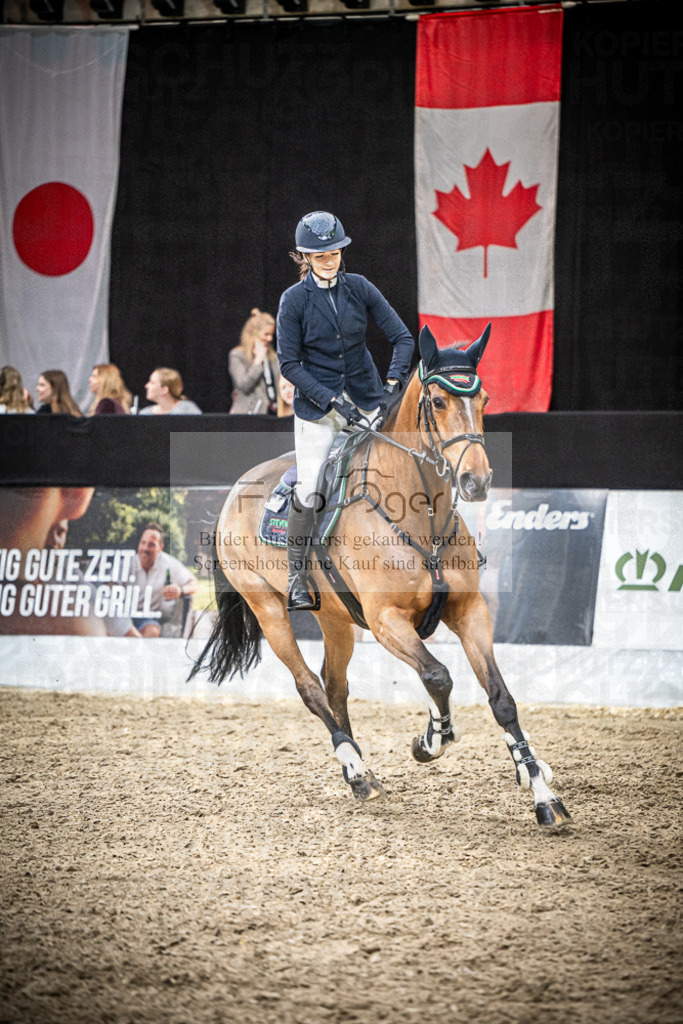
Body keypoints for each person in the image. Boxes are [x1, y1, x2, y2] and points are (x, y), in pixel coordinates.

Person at [276, 210, 414, 610]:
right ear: (305, 257)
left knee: (403, 466)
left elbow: (402, 338)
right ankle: (297, 578)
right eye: (321, 256)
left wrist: (391, 387)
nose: (330, 260)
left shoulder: (359, 287)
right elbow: (289, 365)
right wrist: (332, 400)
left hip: (367, 398)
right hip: (319, 410)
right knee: (311, 485)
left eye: (335, 252)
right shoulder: (294, 301)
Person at [129, 522, 198, 637]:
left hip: (149, 619)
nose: (145, 548)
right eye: (143, 543)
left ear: (160, 547)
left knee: (152, 632)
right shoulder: (128, 563)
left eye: (151, 544)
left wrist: (180, 590)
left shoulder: (168, 563)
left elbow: (194, 583)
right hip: (124, 616)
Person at [229, 308, 280, 415]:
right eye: (266, 334)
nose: (270, 338)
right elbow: (243, 386)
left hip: (273, 413)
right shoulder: (237, 355)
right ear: (255, 333)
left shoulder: (273, 357)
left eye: (272, 335)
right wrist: (258, 361)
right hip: (249, 414)